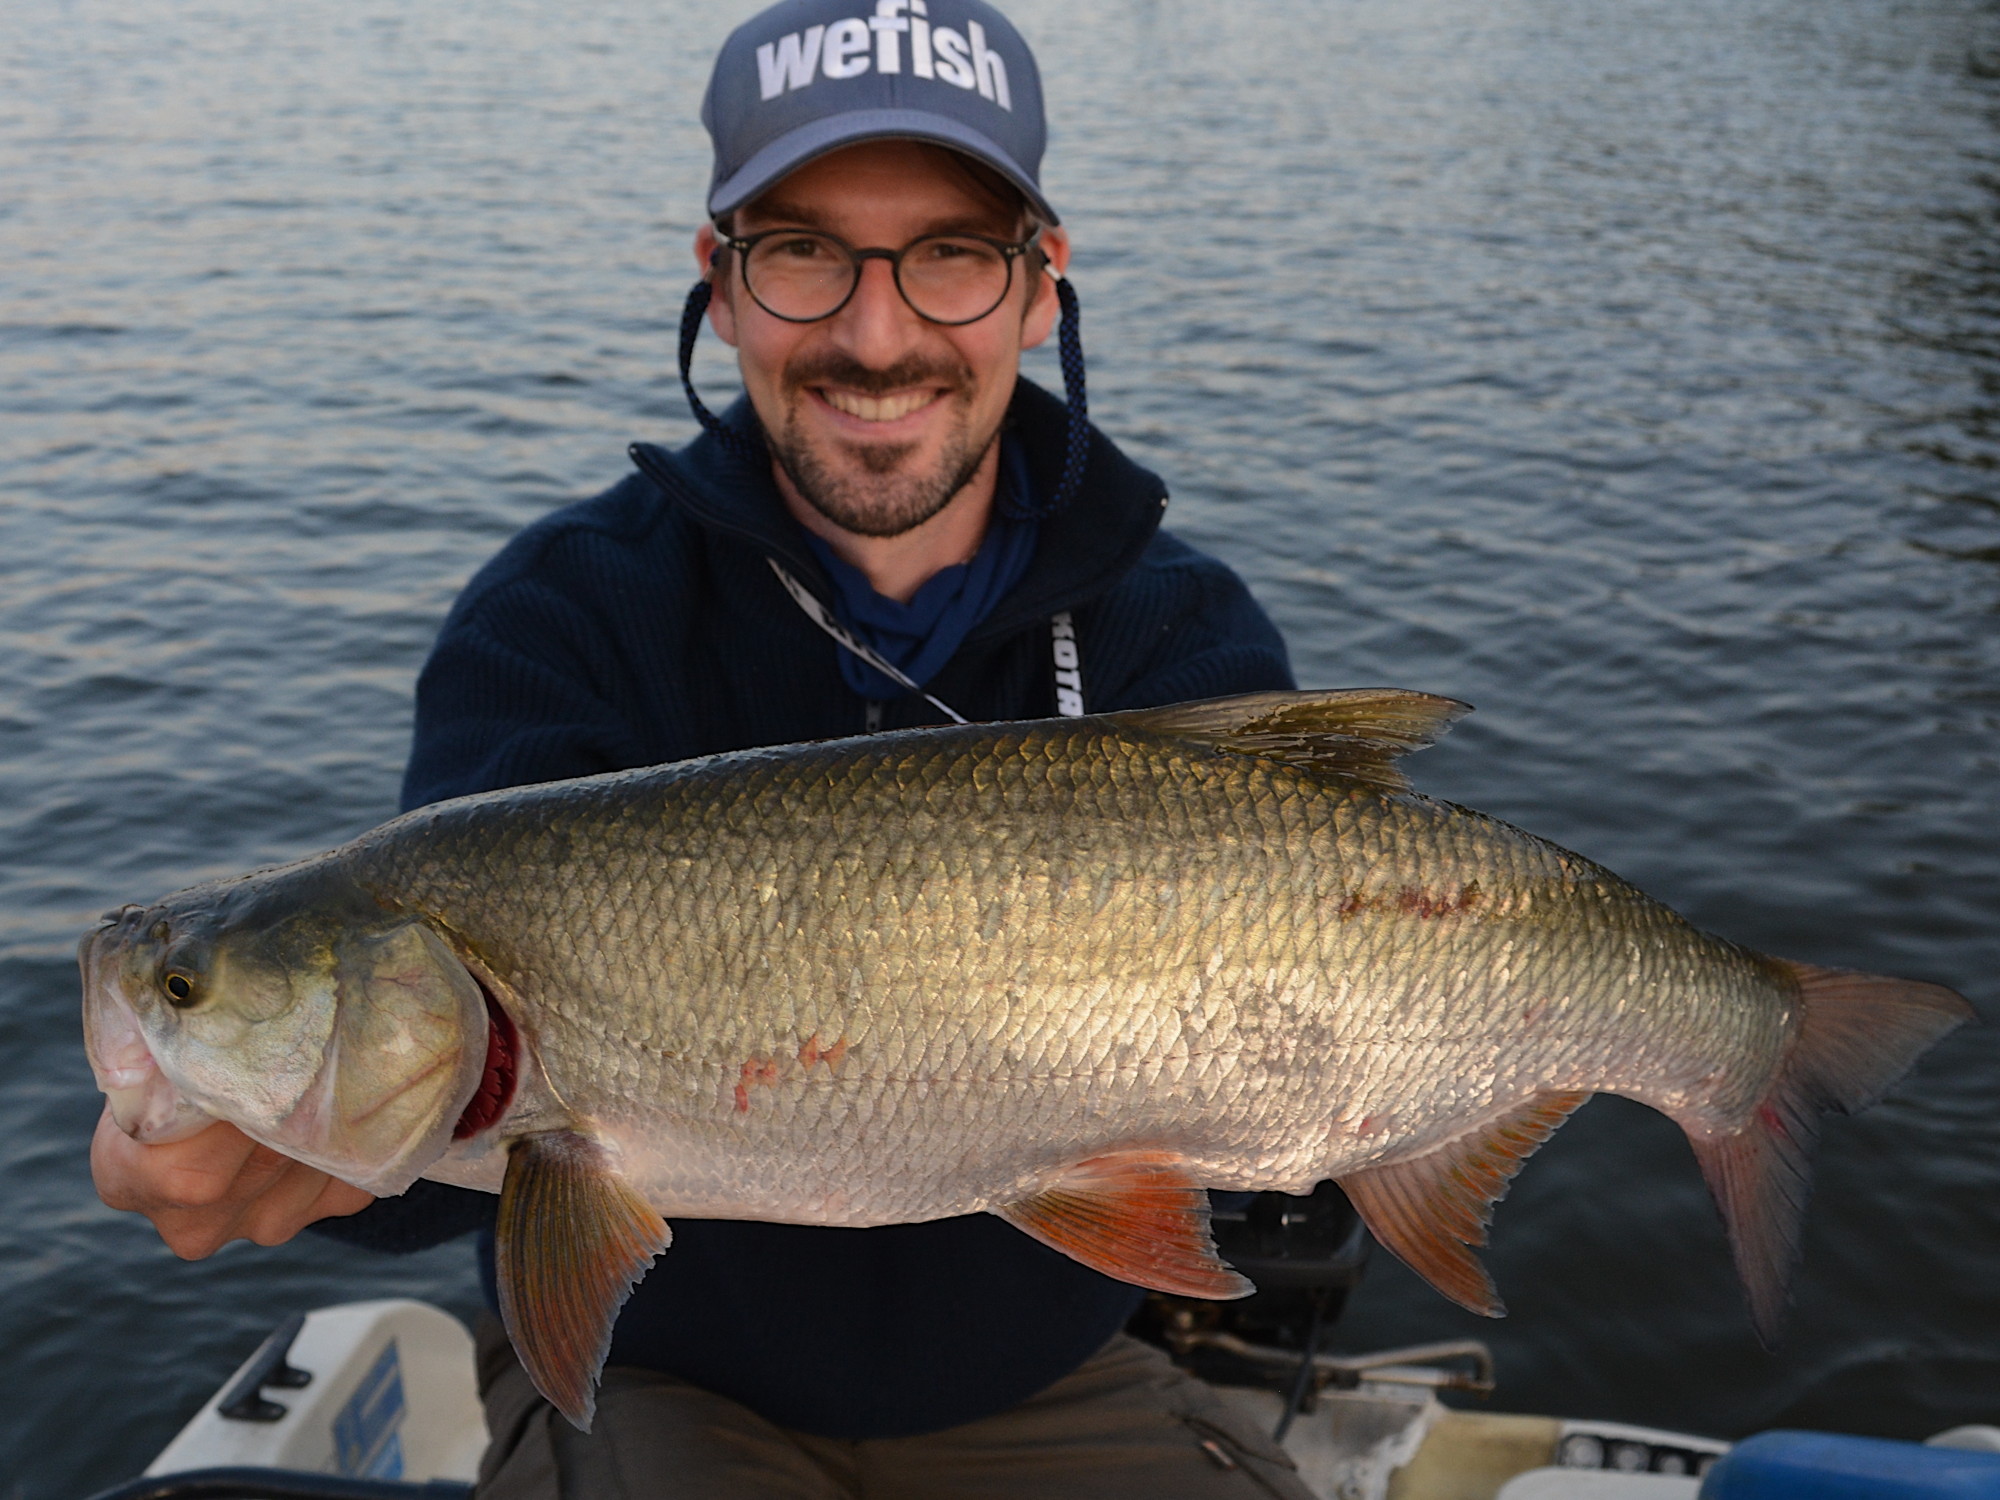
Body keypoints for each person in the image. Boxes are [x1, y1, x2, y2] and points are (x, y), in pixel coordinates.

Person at [92, 1, 1313, 1493]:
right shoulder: (556, 621)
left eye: (951, 253)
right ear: (720, 285)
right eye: (802, 251)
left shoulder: (1177, 635)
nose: (877, 335)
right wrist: (301, 1166)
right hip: (664, 1384)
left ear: (1040, 289)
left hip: (1051, 1379)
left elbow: (1297, 1123)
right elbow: (456, 1109)